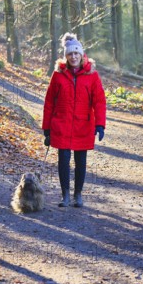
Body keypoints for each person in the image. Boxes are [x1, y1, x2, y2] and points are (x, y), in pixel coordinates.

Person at [42, 33, 107, 208]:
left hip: (83, 124)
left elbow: (99, 100)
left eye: (76, 53)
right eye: (70, 54)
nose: (73, 57)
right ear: (66, 56)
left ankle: (78, 194)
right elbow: (49, 102)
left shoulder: (92, 75)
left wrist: (100, 124)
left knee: (81, 160)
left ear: (82, 54)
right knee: (63, 159)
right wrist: (46, 128)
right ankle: (65, 196)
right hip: (61, 123)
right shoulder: (58, 75)